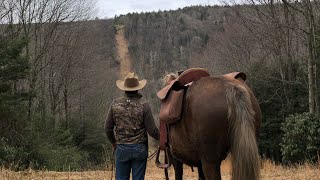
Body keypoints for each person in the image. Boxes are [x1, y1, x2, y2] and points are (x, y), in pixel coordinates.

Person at [105, 72, 159, 180]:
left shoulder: (115, 104)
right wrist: (164, 139)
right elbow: (152, 130)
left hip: (121, 148)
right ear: (137, 88)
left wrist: (114, 143)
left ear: (124, 88)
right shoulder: (144, 105)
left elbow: (107, 128)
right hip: (139, 148)